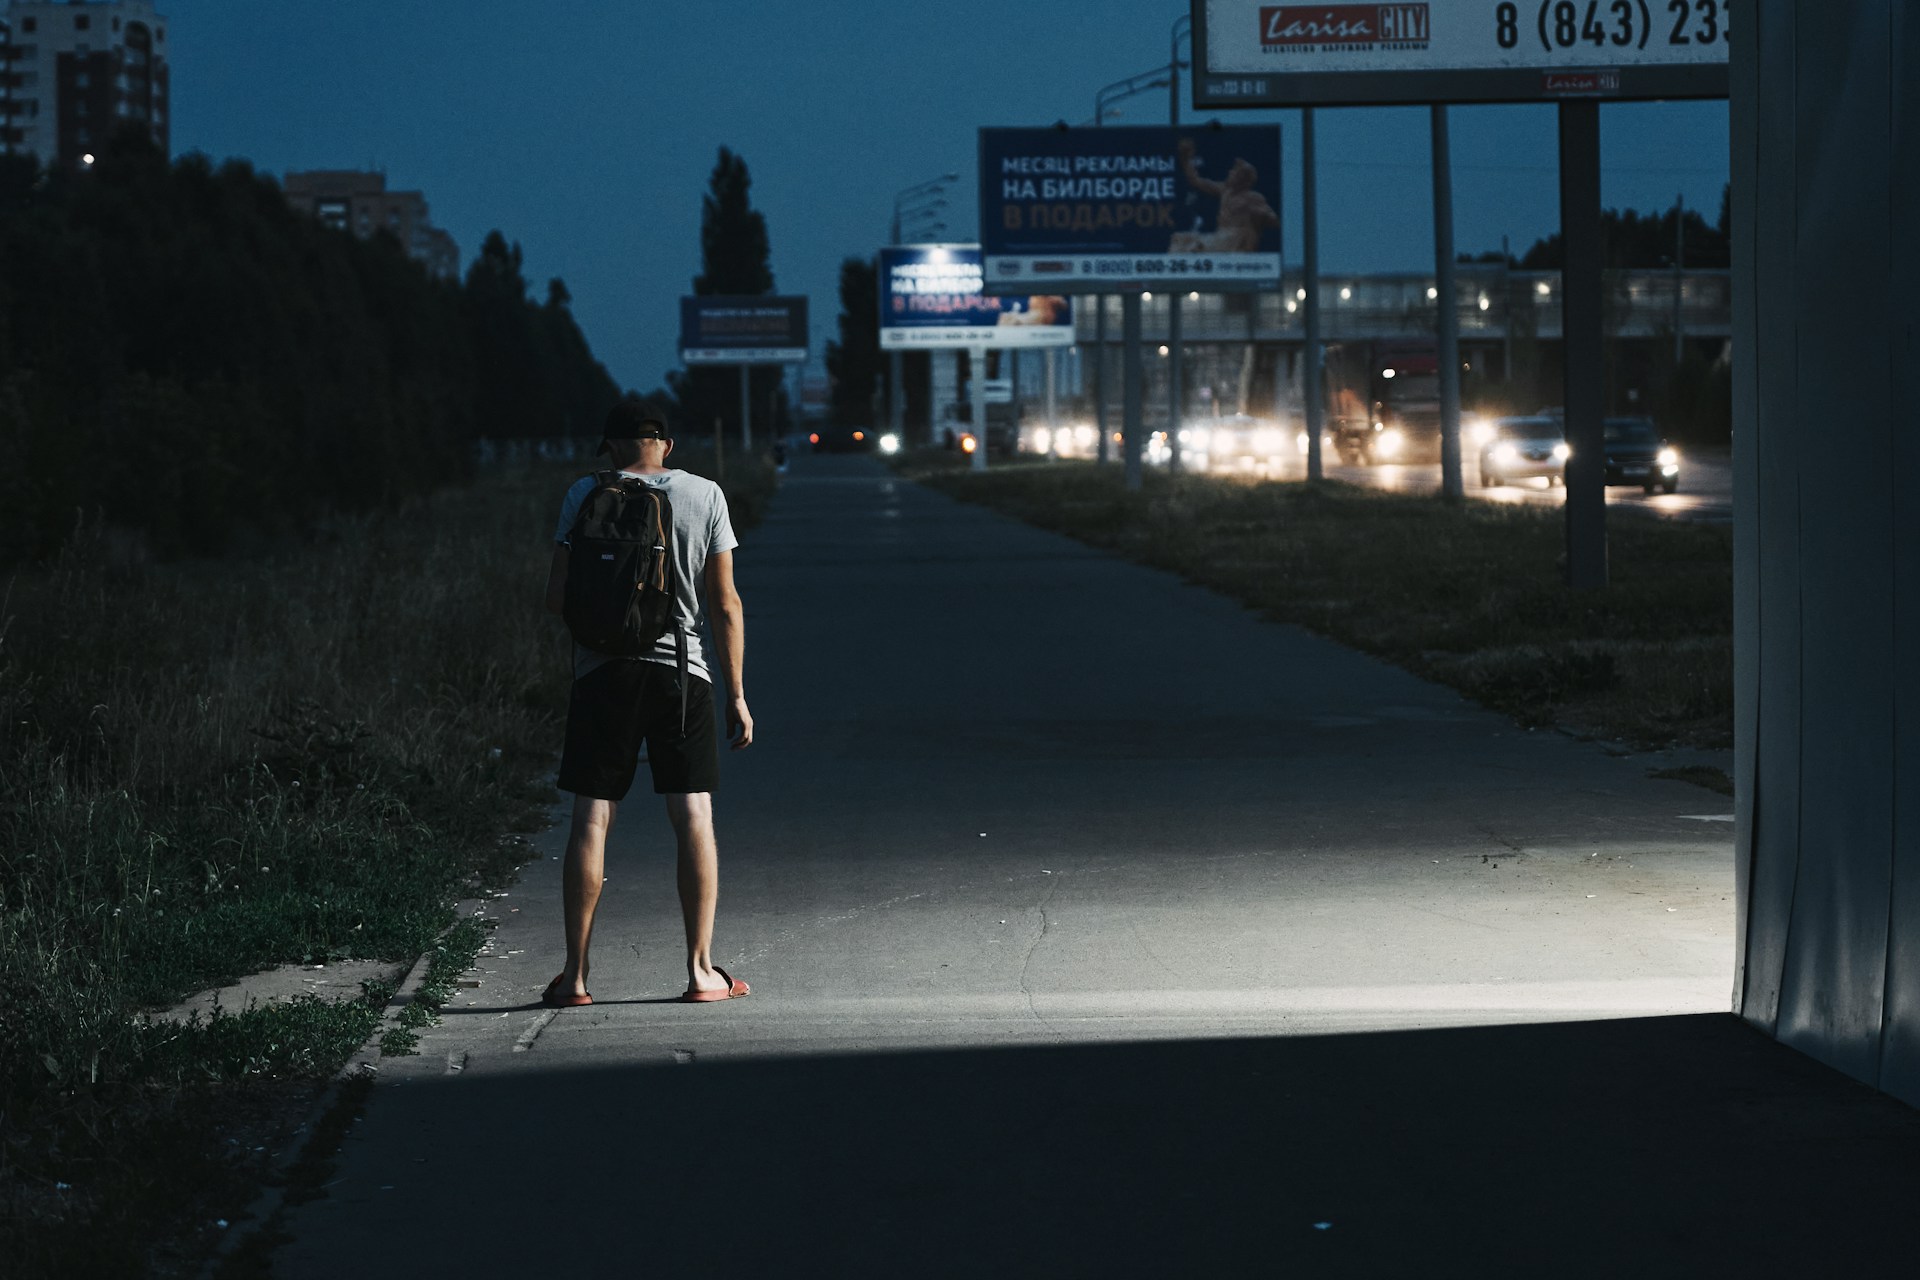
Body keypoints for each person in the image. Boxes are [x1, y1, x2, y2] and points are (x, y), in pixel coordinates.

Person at [542, 400, 754, 1006]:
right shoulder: (705, 495)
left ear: (610, 447)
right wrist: (736, 694)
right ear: (668, 444)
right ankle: (700, 972)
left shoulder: (584, 492)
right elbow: (726, 604)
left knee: (591, 815)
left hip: (601, 676)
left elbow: (557, 597)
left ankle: (575, 978)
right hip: (682, 676)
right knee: (692, 813)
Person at [1169, 137, 1280, 254]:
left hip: (1235, 243)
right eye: (1232, 170)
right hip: (1219, 239)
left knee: (1198, 246)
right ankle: (1176, 270)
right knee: (1179, 239)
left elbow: (1273, 220)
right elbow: (1195, 181)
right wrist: (1186, 159)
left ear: (1244, 180)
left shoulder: (1253, 198)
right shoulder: (1225, 190)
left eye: (1235, 172)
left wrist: (1257, 215)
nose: (1230, 173)